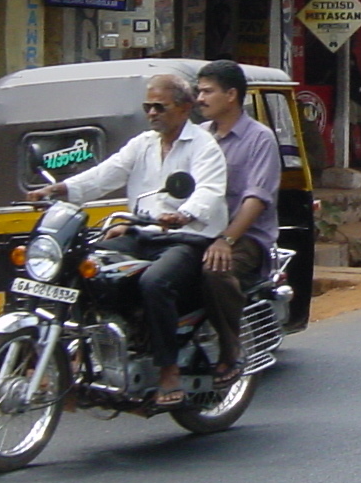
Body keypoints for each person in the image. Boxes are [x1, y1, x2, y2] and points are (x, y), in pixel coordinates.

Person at [31, 73, 227, 408]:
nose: (151, 113)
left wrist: (184, 213)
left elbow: (209, 190)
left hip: (187, 239)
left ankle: (168, 371)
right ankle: (83, 356)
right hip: (143, 234)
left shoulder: (204, 147)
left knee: (154, 282)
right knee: (85, 266)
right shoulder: (143, 144)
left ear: (183, 108)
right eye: (147, 107)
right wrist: (60, 189)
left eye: (159, 107)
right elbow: (105, 174)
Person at [194, 59, 285, 384]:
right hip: (198, 231)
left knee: (215, 271)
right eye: (198, 91)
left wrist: (227, 239)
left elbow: (256, 200)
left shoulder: (260, 139)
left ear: (231, 95)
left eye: (208, 91)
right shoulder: (199, 137)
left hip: (245, 238)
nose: (200, 98)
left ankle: (230, 350)